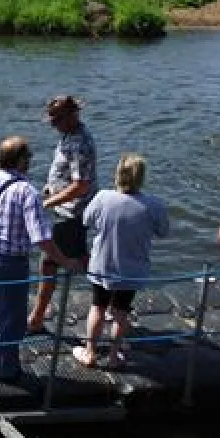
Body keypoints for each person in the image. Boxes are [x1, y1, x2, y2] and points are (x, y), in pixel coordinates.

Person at [0, 136, 78, 381]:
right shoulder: (26, 191)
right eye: (28, 157)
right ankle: (6, 366)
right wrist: (65, 261)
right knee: (11, 317)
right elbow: (41, 238)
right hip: (10, 262)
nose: (29, 161)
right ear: (20, 160)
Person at [73, 154, 169, 369]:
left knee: (97, 306)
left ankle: (90, 353)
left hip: (103, 264)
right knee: (121, 311)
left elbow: (86, 220)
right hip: (132, 267)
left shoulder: (103, 197)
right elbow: (163, 231)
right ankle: (115, 356)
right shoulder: (153, 204)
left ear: (118, 174)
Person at [27, 95, 97, 333]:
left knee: (49, 262)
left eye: (56, 120)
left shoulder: (80, 143)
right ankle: (109, 291)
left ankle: (36, 318)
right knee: (77, 259)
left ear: (71, 116)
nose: (52, 125)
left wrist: (47, 203)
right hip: (63, 210)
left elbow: (81, 185)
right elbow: (66, 175)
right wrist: (51, 187)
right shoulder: (67, 136)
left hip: (70, 214)